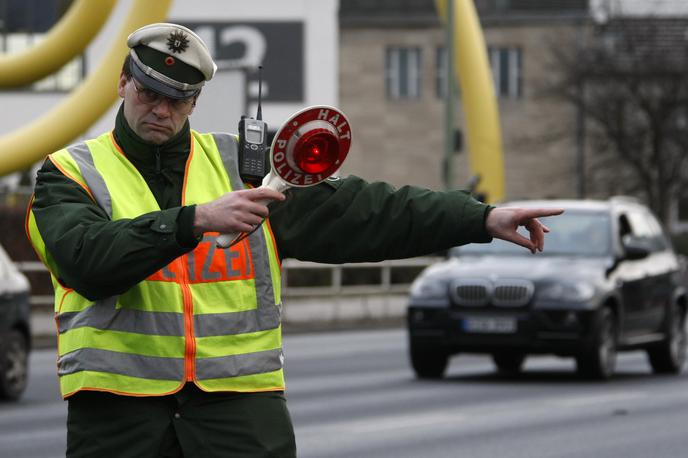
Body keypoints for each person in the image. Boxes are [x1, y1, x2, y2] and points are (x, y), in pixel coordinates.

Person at [26, 23, 562, 458]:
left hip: (239, 419)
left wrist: (479, 219)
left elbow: (367, 212)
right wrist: (193, 221)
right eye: (150, 92)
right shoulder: (69, 173)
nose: (162, 110)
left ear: (195, 101)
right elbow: (85, 262)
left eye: (181, 98)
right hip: (120, 420)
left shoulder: (246, 168)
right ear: (122, 83)